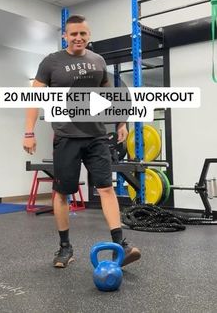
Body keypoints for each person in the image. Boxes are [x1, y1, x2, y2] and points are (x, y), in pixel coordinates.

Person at [23, 14, 141, 268]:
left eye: (83, 34)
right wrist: (29, 131)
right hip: (66, 136)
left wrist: (121, 122)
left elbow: (111, 94)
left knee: (106, 188)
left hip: (97, 135)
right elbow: (33, 97)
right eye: (73, 34)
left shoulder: (98, 61)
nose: (78, 38)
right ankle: (65, 247)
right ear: (65, 36)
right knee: (63, 192)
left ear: (89, 36)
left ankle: (120, 244)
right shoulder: (51, 62)